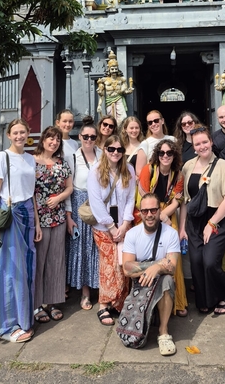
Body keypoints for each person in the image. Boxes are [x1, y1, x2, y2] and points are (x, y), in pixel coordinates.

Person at [0, 118, 41, 343]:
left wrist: (36, 222)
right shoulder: (2, 157)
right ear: (9, 135)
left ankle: (24, 318)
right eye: (15, 133)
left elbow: (32, 193)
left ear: (28, 134)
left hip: (27, 215)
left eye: (22, 132)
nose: (19, 136)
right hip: (10, 216)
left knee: (26, 269)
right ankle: (7, 326)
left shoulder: (30, 159)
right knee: (10, 270)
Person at [179, 125, 225, 314]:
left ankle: (224, 293)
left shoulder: (223, 166)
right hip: (194, 221)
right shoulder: (188, 166)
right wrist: (182, 227)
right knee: (196, 261)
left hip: (216, 219)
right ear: (193, 146)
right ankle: (204, 299)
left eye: (205, 142)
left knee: (210, 261)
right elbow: (186, 200)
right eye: (198, 144)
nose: (202, 146)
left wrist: (212, 224)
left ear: (211, 142)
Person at [121, 193, 180, 356]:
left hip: (162, 283)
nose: (149, 215)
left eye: (153, 210)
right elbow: (127, 268)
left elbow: (172, 267)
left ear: (159, 210)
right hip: (141, 284)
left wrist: (159, 269)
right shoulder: (132, 234)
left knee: (167, 279)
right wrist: (157, 265)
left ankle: (163, 332)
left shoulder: (171, 233)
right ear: (139, 212)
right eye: (145, 211)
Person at [87, 135, 136, 326]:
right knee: (109, 265)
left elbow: (131, 197)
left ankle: (119, 302)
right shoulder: (96, 171)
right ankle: (104, 304)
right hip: (103, 227)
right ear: (105, 150)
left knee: (123, 265)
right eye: (111, 149)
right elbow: (96, 202)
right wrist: (111, 226)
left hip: (124, 226)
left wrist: (124, 224)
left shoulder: (128, 169)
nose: (115, 153)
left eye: (119, 150)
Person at [135, 139, 188, 316]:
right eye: (162, 153)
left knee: (173, 258)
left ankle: (177, 303)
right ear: (157, 155)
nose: (165, 156)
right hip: (149, 212)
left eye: (169, 153)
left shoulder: (178, 175)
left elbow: (177, 200)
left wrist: (164, 215)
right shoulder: (148, 170)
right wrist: (156, 214)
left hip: (167, 213)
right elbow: (143, 194)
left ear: (174, 156)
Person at [33, 126, 73, 324]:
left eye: (57, 139)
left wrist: (59, 198)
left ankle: (53, 301)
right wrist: (36, 222)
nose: (54, 142)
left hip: (58, 217)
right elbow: (29, 193)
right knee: (39, 260)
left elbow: (69, 187)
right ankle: (37, 304)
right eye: (50, 138)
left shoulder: (62, 163)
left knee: (56, 260)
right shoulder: (32, 162)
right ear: (43, 139)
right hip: (39, 219)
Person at [65, 116, 101, 310]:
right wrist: (69, 217)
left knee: (99, 247)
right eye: (85, 136)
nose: (88, 140)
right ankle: (85, 292)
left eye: (92, 137)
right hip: (80, 205)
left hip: (99, 205)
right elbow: (68, 188)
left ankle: (101, 288)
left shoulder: (103, 154)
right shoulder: (73, 157)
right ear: (79, 137)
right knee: (83, 249)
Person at [96, 50, 134, 122]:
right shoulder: (104, 80)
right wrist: (99, 105)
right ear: (109, 70)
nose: (114, 71)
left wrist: (130, 90)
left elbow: (125, 92)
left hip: (119, 99)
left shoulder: (122, 80)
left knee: (123, 117)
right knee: (111, 119)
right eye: (112, 69)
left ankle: (119, 132)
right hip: (109, 101)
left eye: (115, 69)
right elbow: (102, 95)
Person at [136, 110, 175, 176]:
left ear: (162, 121)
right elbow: (139, 171)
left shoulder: (173, 140)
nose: (153, 124)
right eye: (150, 122)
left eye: (156, 120)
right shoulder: (145, 144)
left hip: (172, 181)